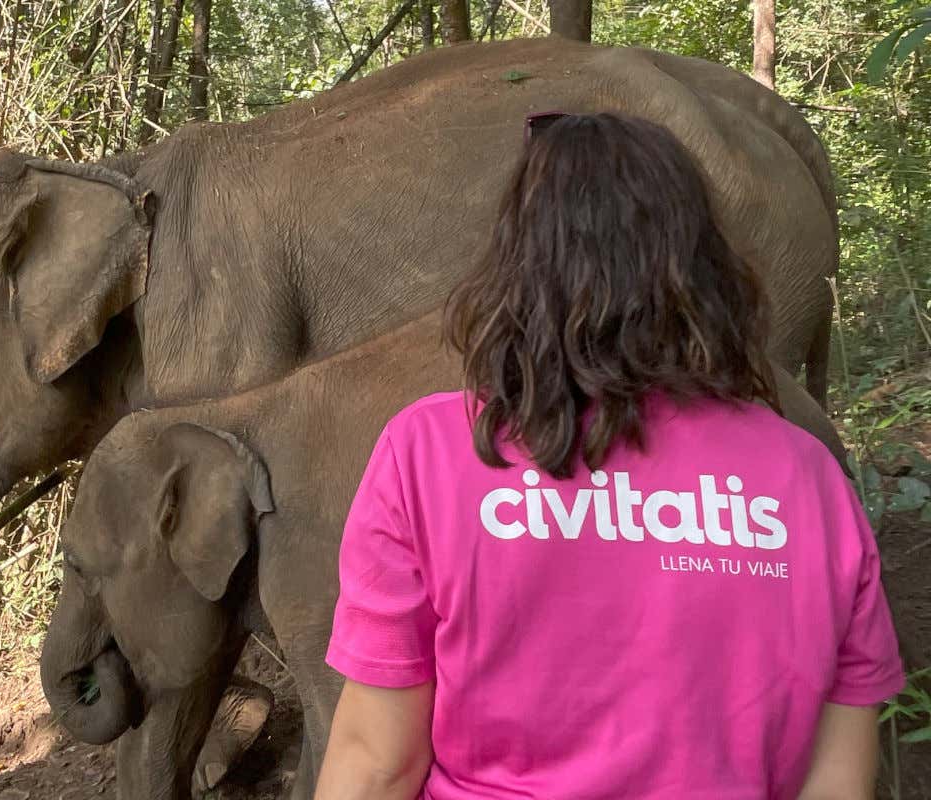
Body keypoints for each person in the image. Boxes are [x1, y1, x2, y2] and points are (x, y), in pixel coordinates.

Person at [313, 112, 904, 800]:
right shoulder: (809, 481)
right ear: (703, 269)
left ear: (518, 269)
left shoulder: (425, 456)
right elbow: (836, 783)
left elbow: (377, 766)